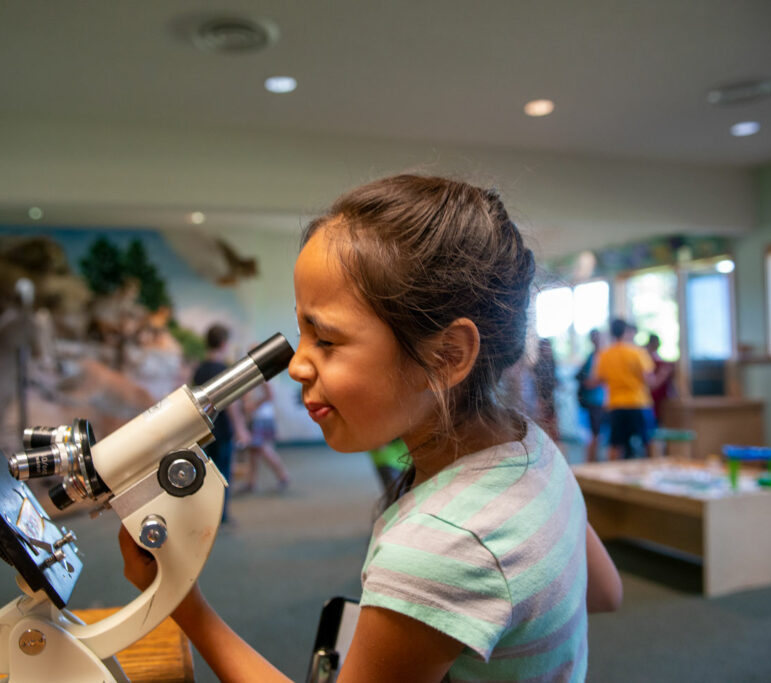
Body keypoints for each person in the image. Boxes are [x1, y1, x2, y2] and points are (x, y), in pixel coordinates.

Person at [121, 175, 622, 682]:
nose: (297, 365)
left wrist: (185, 605)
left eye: (328, 340)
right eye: (302, 332)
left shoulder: (442, 545)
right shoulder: (533, 448)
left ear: (447, 355)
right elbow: (604, 592)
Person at [192, 323, 250, 525]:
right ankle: (221, 515)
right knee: (223, 473)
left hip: (204, 430)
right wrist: (241, 429)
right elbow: (230, 404)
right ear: (224, 343)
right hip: (223, 430)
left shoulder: (199, 369)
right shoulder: (223, 369)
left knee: (206, 475)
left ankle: (206, 514)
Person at [591, 318, 654, 460]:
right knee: (647, 442)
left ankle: (613, 479)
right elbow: (649, 380)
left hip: (616, 404)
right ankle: (651, 473)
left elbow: (598, 380)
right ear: (626, 331)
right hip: (638, 402)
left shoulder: (605, 355)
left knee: (615, 445)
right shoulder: (637, 352)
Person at [238, 382, 291, 493]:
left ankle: (283, 476)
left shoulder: (262, 379)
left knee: (262, 448)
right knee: (253, 450)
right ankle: (251, 482)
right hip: (258, 417)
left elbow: (270, 395)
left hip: (261, 417)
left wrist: (254, 405)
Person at [574, 329, 606, 462]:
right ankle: (591, 461)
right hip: (595, 401)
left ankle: (593, 460)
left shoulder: (600, 355)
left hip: (600, 400)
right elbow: (587, 379)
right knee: (594, 433)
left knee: (597, 434)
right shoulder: (592, 356)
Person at [531, 338, 560, 443]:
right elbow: (536, 384)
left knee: (553, 425)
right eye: (544, 347)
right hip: (542, 399)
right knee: (545, 425)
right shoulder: (538, 365)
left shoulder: (552, 363)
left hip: (551, 399)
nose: (546, 349)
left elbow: (553, 380)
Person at [645, 333, 676, 426]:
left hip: (660, 398)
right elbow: (652, 383)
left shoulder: (659, 360)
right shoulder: (646, 359)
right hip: (649, 397)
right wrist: (663, 373)